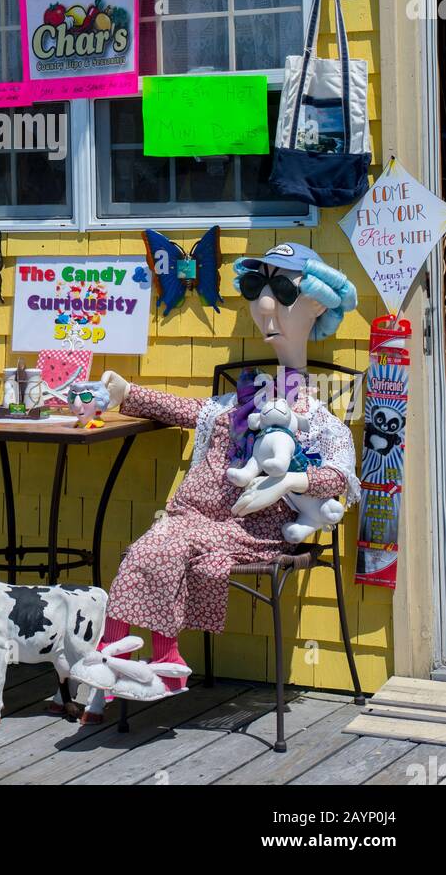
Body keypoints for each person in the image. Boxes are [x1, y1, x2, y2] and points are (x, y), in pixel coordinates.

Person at [82, 242, 360, 722]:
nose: (264, 304)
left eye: (280, 289)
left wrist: (290, 480)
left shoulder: (316, 415)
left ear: (317, 305)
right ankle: (140, 661)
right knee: (157, 544)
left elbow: (341, 473)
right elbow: (192, 411)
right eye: (255, 287)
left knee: (160, 544)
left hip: (256, 531)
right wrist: (129, 394)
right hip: (195, 518)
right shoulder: (237, 404)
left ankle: (145, 661)